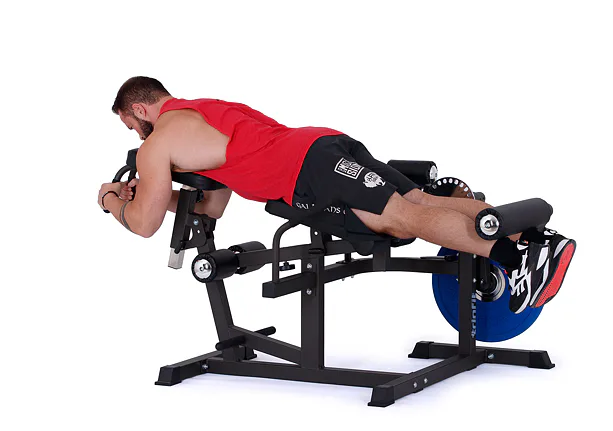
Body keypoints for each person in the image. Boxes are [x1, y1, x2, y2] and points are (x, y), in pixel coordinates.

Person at [99, 76, 576, 314]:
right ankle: (535, 239)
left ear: (140, 108)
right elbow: (213, 205)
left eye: (131, 124)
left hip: (306, 169)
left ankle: (514, 259)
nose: (136, 135)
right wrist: (160, 194)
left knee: (400, 217)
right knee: (422, 201)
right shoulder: (207, 110)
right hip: (323, 143)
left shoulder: (158, 143)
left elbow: (144, 224)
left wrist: (112, 200)